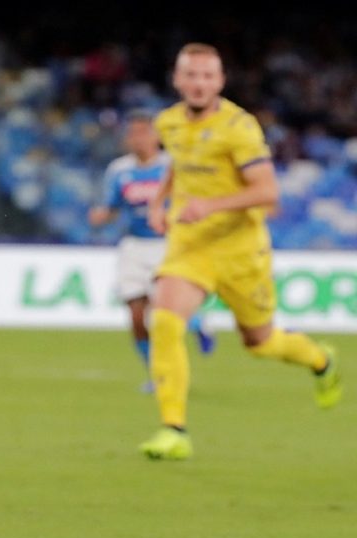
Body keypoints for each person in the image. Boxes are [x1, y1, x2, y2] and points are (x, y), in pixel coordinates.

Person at [140, 44, 342, 460]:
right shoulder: (169, 122)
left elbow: (267, 191)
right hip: (190, 247)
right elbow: (179, 163)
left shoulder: (239, 128)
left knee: (260, 342)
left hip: (240, 252)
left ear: (220, 81)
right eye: (191, 75)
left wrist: (210, 206)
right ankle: (173, 429)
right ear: (177, 80)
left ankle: (320, 359)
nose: (198, 84)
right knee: (165, 322)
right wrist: (159, 203)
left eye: (207, 76)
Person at [88, 111, 215, 393]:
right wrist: (102, 215)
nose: (137, 139)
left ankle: (196, 323)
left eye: (143, 132)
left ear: (156, 136)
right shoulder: (119, 170)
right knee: (136, 316)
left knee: (163, 309)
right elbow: (112, 206)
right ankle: (157, 376)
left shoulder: (173, 166)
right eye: (132, 133)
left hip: (167, 244)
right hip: (133, 246)